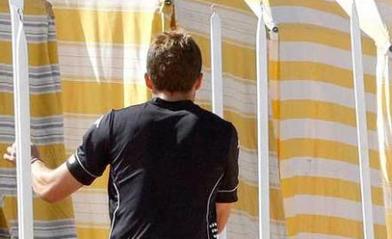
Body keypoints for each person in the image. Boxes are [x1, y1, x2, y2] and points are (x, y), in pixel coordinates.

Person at [4, 30, 239, 238]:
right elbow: (218, 215)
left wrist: (30, 159)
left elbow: (51, 188)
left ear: (148, 80)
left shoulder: (115, 124)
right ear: (198, 81)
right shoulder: (223, 134)